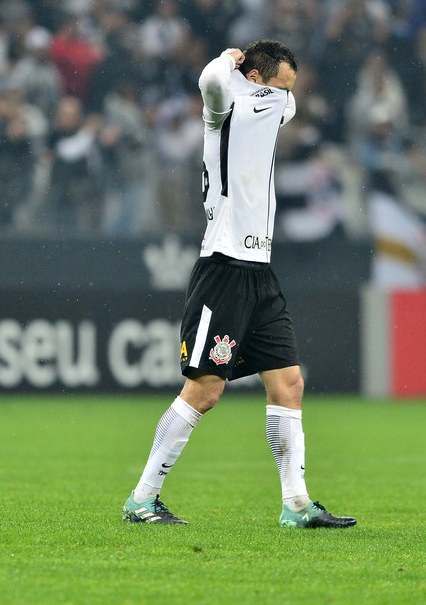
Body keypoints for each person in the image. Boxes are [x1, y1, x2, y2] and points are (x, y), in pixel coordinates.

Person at [121, 40, 356, 529]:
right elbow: (209, 81)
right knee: (204, 391)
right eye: (282, 85)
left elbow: (276, 99)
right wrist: (229, 60)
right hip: (223, 267)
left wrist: (244, 70)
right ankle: (142, 499)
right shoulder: (221, 107)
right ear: (255, 78)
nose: (289, 98)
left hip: (260, 271)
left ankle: (296, 506)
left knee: (289, 385)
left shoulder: (271, 104)